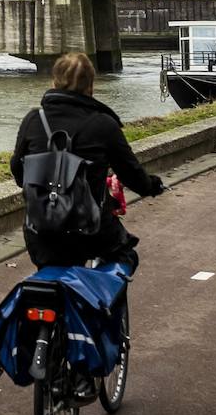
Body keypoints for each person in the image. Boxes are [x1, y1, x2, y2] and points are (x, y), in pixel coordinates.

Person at [10, 51, 164, 274]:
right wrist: (152, 186)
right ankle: (104, 304)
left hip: (41, 231)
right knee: (124, 256)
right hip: (91, 231)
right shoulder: (103, 124)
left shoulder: (33, 120)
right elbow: (131, 173)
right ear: (91, 85)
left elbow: (18, 171)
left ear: (54, 81)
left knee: (47, 266)